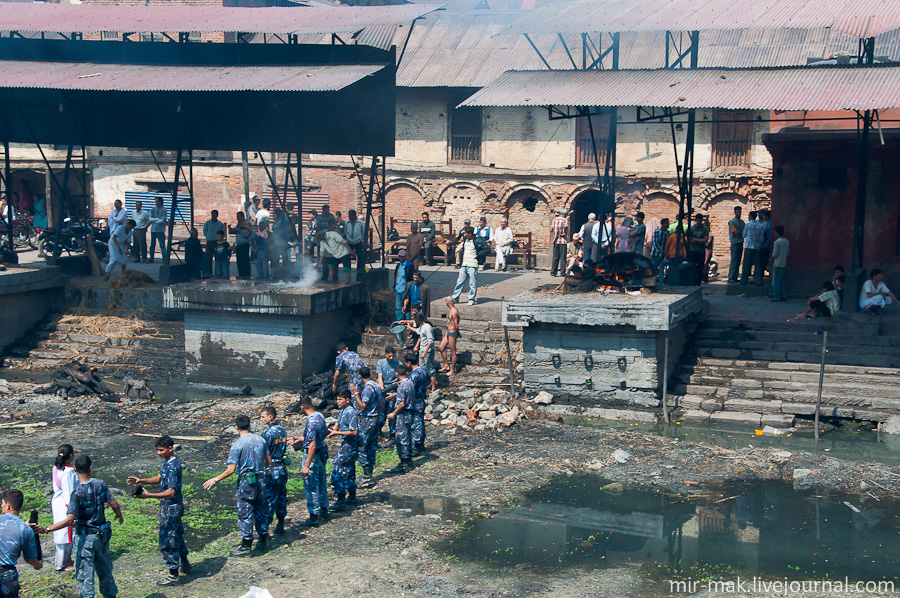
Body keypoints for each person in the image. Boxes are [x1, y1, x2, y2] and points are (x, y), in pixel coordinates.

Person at [44, 455, 122, 598]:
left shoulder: (77, 493)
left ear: (75, 469)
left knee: (85, 575)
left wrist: (48, 529)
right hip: (102, 536)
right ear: (90, 468)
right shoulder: (100, 484)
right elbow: (114, 504)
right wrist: (119, 515)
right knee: (105, 570)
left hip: (85, 538)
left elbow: (69, 520)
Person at [126, 436, 190, 586]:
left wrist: (149, 496)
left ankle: (173, 574)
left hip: (171, 508)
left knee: (167, 540)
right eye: (157, 450)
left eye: (161, 450)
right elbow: (159, 478)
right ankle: (185, 563)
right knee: (177, 535)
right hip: (171, 507)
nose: (158, 453)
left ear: (170, 448)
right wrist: (140, 480)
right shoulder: (168, 463)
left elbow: (171, 492)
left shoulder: (174, 466)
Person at [203, 415, 270, 557]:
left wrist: (215, 479)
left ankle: (246, 545)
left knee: (245, 513)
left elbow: (231, 469)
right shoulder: (261, 440)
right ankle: (263, 540)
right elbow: (268, 461)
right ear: (250, 426)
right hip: (260, 480)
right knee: (261, 510)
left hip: (246, 482)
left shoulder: (237, 445)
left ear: (236, 427)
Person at [287, 398, 329, 527]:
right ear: (312, 404)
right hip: (321, 453)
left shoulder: (311, 421)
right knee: (321, 482)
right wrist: (300, 438)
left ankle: (313, 515)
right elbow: (318, 436)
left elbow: (312, 445)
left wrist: (306, 465)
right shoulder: (320, 416)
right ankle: (324, 509)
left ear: (302, 408)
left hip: (312, 455)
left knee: (311, 485)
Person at [0, 489, 42, 597]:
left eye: (2, 503)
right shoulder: (24, 529)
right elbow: (30, 559)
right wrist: (38, 564)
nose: (1, 506)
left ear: (8, 506)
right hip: (6, 577)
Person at [327, 390, 358, 511]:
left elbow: (354, 431)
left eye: (340, 399)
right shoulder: (343, 411)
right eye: (337, 399)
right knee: (349, 470)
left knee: (338, 469)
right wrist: (332, 430)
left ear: (347, 400)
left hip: (350, 445)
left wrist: (337, 433)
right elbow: (338, 424)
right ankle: (352, 496)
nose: (337, 402)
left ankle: (341, 499)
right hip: (345, 444)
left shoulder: (350, 412)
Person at [352, 367, 382, 488]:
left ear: (360, 376)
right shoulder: (377, 386)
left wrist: (355, 393)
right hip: (375, 418)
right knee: (371, 445)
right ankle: (369, 473)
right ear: (370, 374)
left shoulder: (368, 389)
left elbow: (363, 406)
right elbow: (380, 403)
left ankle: (366, 475)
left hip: (367, 419)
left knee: (362, 446)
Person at [50, 444, 77, 573]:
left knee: (63, 534)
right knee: (65, 535)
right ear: (71, 456)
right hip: (65, 505)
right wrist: (71, 511)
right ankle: (61, 564)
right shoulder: (69, 472)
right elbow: (69, 492)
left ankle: (67, 560)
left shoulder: (56, 467)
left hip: (57, 503)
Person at [385, 364, 414, 474]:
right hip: (410, 413)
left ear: (396, 374)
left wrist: (393, 413)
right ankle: (409, 460)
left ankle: (404, 463)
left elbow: (401, 403)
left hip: (402, 414)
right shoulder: (410, 383)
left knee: (402, 438)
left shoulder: (402, 385)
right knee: (407, 436)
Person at [405, 353, 428, 455]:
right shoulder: (422, 371)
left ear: (409, 363)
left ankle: (417, 445)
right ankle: (421, 443)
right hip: (421, 399)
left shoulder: (414, 374)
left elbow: (411, 389)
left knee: (416, 422)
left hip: (416, 400)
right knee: (420, 421)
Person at [452, 227, 480, 306]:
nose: (464, 235)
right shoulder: (465, 240)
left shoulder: (477, 241)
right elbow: (457, 239)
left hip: (472, 265)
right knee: (459, 282)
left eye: (465, 233)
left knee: (472, 284)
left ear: (470, 234)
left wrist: (479, 255)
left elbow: (486, 249)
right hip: (464, 265)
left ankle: (471, 299)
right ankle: (455, 298)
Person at [411, 313, 436, 392]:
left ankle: (433, 387)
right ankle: (424, 385)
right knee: (422, 368)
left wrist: (425, 352)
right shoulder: (421, 327)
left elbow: (430, 341)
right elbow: (417, 331)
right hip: (422, 350)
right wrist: (407, 326)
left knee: (430, 368)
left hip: (427, 351)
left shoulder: (427, 327)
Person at [741, 210, 765, 285]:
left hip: (749, 246)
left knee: (746, 264)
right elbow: (762, 238)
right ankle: (758, 281)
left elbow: (744, 235)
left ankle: (744, 281)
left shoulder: (748, 225)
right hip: (757, 247)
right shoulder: (760, 225)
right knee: (757, 264)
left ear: (751, 216)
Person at [438, 297, 460, 375]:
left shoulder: (454, 312)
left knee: (453, 352)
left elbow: (456, 325)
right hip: (449, 332)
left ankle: (452, 370)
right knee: (441, 348)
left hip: (453, 333)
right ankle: (446, 365)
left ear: (447, 303)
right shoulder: (451, 311)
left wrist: (458, 333)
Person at [229, 212, 253, 278]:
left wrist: (239, 230)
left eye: (238, 217)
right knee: (239, 262)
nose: (237, 218)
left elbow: (246, 234)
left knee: (245, 261)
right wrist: (231, 229)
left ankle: (247, 275)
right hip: (239, 245)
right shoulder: (239, 224)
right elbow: (235, 232)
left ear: (242, 217)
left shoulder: (247, 224)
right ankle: (241, 275)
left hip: (244, 245)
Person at [769, 225, 789, 302]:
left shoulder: (777, 242)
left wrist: (771, 258)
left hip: (777, 263)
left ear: (777, 232)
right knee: (781, 280)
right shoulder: (786, 241)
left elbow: (775, 253)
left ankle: (777, 296)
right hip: (783, 262)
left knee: (776, 282)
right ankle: (783, 295)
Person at [202, 211, 224, 278]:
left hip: (217, 242)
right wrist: (208, 237)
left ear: (217, 215)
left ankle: (218, 273)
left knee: (217, 258)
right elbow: (205, 231)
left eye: (214, 215)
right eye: (212, 215)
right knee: (209, 258)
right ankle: (209, 273)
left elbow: (221, 232)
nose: (213, 217)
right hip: (210, 241)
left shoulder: (219, 224)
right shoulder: (208, 223)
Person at [689, 213, 709, 284]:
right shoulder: (692, 228)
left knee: (700, 267)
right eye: (698, 220)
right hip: (693, 250)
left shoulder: (705, 228)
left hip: (701, 251)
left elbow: (705, 240)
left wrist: (695, 239)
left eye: (700, 220)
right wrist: (700, 240)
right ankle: (693, 281)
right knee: (693, 266)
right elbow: (689, 240)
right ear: (695, 220)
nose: (699, 222)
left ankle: (698, 281)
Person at [394, 249, 414, 321]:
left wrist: (410, 287)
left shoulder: (409, 265)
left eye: (402, 257)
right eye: (399, 257)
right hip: (398, 288)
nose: (400, 258)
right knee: (398, 306)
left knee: (406, 306)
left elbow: (411, 277)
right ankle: (399, 321)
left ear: (405, 257)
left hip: (406, 288)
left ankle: (407, 321)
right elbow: (396, 276)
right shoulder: (398, 265)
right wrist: (394, 287)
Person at [727, 206, 745, 284]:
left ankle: (735, 276)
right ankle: (731, 277)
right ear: (734, 212)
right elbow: (736, 232)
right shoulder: (732, 222)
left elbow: (743, 233)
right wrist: (742, 233)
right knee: (734, 260)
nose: (739, 214)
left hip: (740, 243)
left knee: (738, 261)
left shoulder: (742, 222)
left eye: (740, 212)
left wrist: (741, 233)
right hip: (734, 243)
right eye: (737, 212)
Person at [148, 197, 168, 264]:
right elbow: (150, 219)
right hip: (153, 229)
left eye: (157, 201)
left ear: (161, 202)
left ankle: (165, 259)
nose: (156, 203)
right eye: (155, 201)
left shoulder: (164, 210)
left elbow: (162, 220)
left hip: (160, 230)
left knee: (162, 245)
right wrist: (157, 219)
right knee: (152, 245)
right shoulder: (153, 209)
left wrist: (155, 220)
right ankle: (151, 258)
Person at [550, 208, 569, 277]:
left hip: (555, 241)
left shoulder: (554, 219)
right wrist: (565, 233)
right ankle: (562, 273)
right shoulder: (564, 220)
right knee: (562, 258)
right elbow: (565, 226)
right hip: (562, 241)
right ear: (564, 214)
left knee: (555, 257)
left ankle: (553, 273)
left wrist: (555, 234)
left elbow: (551, 229)